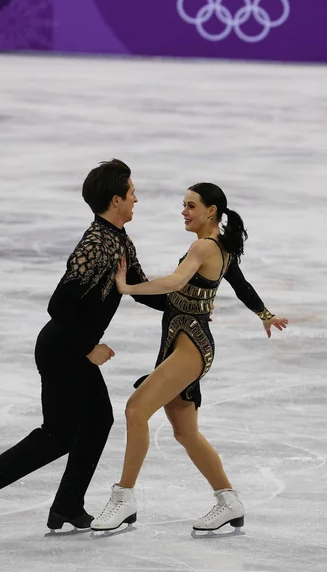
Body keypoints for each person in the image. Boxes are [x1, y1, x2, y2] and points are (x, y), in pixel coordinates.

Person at [0, 159, 166, 531]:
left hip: (70, 347)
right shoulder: (97, 244)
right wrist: (87, 347)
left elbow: (140, 288)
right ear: (115, 200)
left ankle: (66, 506)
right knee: (58, 434)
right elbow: (58, 305)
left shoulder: (119, 240)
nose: (136, 200)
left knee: (97, 421)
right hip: (63, 348)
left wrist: (187, 305)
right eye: (131, 194)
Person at [91, 182, 288, 533]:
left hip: (190, 347)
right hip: (185, 344)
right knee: (185, 432)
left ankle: (124, 498)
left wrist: (128, 287)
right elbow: (240, 284)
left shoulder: (204, 246)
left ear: (211, 211)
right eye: (184, 205)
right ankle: (229, 501)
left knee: (136, 409)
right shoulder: (221, 249)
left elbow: (175, 282)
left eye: (191, 206)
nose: (184, 211)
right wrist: (265, 314)